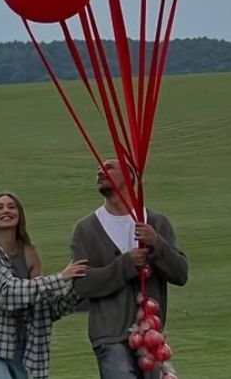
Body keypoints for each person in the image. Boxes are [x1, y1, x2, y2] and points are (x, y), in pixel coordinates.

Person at [69, 161, 188, 379]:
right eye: (99, 169)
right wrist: (126, 265)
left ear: (131, 176)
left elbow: (180, 274)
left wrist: (157, 244)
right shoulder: (85, 229)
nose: (100, 170)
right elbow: (82, 285)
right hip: (109, 335)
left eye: (110, 167)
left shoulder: (157, 224)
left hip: (151, 335)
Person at [0, 191, 88, 379]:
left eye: (11, 206)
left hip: (23, 347)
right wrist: (61, 277)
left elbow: (45, 306)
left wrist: (81, 285)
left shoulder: (30, 253)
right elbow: (7, 294)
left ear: (20, 214)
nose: (6, 210)